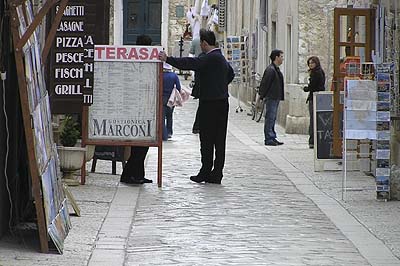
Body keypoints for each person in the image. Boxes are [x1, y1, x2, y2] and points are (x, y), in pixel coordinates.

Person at [158, 29, 235, 184]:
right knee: (220, 140)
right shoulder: (221, 58)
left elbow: (190, 63)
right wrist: (220, 86)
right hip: (222, 102)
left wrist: (168, 59)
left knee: (206, 139)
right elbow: (231, 74)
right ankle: (216, 173)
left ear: (205, 43)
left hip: (210, 103)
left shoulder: (210, 58)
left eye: (201, 44)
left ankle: (206, 171)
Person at [120, 34, 153, 185]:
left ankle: (138, 174)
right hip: (137, 108)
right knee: (138, 147)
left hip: (144, 108)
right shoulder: (135, 63)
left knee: (143, 146)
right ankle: (128, 175)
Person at [259, 49, 285, 146]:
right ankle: (269, 138)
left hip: (275, 97)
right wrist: (261, 97)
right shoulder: (271, 70)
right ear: (276, 57)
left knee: (273, 118)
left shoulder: (275, 69)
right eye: (281, 56)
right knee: (270, 117)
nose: (282, 59)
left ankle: (272, 136)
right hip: (271, 97)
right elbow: (265, 84)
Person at [303, 56, 325, 149]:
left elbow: (313, 86)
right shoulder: (318, 72)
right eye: (309, 63)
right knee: (315, 120)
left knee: (313, 120)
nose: (311, 65)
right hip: (318, 97)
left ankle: (312, 141)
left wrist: (306, 88)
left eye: (312, 63)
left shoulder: (316, 73)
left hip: (315, 98)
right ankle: (314, 140)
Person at [162, 62, 181, 140]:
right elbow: (178, 87)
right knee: (170, 116)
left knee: (162, 117)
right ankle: (170, 132)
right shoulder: (174, 76)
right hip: (171, 99)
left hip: (162, 98)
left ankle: (164, 134)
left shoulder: (161, 75)